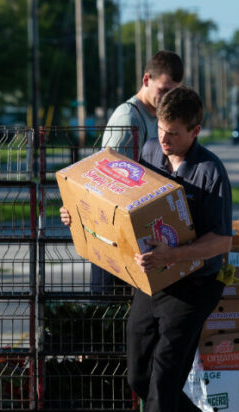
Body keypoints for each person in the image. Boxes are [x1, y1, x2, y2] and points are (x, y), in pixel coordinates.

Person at [119, 87, 233, 412]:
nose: (164, 140)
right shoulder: (150, 152)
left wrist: (176, 255)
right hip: (153, 280)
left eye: (174, 133)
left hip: (195, 286)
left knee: (165, 379)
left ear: (196, 130)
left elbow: (221, 240)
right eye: (162, 130)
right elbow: (125, 201)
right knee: (139, 375)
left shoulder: (210, 171)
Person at [86, 50, 184, 294]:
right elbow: (109, 184)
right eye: (163, 90)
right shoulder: (128, 118)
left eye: (174, 91)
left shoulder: (156, 118)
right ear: (146, 80)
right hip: (114, 239)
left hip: (140, 236)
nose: (167, 98)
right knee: (108, 318)